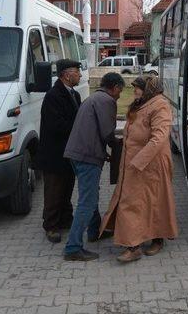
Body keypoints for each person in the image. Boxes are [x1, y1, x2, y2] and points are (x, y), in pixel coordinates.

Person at [100, 76, 178, 263]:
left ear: (148, 89)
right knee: (137, 203)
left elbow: (159, 137)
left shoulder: (160, 106)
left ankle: (147, 242)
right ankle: (133, 244)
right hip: (135, 165)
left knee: (152, 202)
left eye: (137, 88)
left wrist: (138, 161)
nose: (134, 91)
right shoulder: (143, 103)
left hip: (151, 165)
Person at [63, 72, 124, 261]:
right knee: (87, 202)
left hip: (78, 153)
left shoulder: (93, 97)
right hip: (86, 156)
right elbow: (107, 132)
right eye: (120, 91)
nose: (120, 95)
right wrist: (120, 146)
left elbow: (93, 130)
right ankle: (73, 247)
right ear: (114, 88)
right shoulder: (106, 101)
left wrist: (102, 150)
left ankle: (94, 230)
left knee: (92, 194)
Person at [37, 59, 82, 243]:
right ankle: (51, 226)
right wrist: (80, 127)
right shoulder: (53, 96)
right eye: (77, 72)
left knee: (67, 188)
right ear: (66, 74)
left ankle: (65, 219)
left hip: (69, 153)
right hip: (54, 153)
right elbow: (56, 125)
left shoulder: (74, 94)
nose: (79, 75)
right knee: (54, 191)